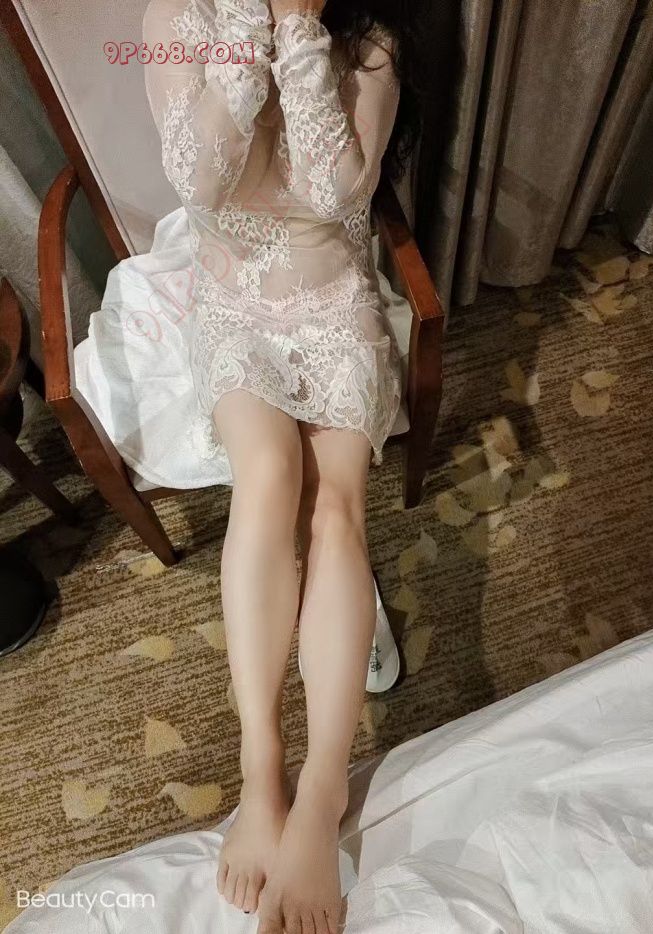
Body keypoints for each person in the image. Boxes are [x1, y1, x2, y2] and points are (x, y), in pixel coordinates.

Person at [142, 0, 422, 930]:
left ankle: (323, 789)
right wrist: (244, 34)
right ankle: (260, 771)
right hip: (234, 304)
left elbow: (338, 197)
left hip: (334, 301)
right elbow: (200, 181)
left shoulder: (370, 36)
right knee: (267, 482)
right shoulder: (174, 17)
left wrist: (300, 33)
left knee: (336, 510)